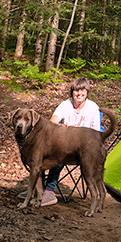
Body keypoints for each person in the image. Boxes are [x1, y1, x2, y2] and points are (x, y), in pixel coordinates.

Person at [39, 77, 101, 206]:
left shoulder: (93, 107)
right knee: (42, 151)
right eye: (76, 91)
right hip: (64, 144)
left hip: (83, 149)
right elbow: (52, 122)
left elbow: (95, 135)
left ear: (87, 92)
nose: (79, 94)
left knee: (59, 154)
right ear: (72, 92)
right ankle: (38, 189)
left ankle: (49, 191)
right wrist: (58, 127)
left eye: (82, 90)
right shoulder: (65, 105)